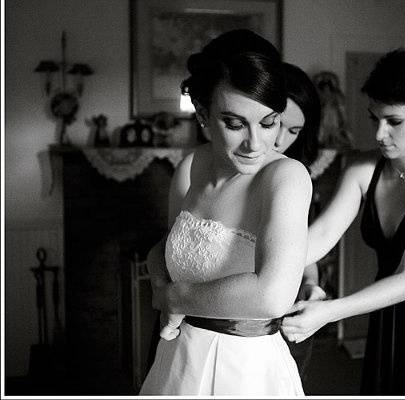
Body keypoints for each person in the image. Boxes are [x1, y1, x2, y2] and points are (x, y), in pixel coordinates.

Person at [281, 49, 405, 395]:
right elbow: (322, 235)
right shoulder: (362, 168)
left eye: (393, 121)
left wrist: (328, 312)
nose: (378, 133)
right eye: (374, 118)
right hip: (387, 306)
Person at [139, 30, 311, 396]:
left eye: (269, 123)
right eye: (235, 124)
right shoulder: (190, 168)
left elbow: (272, 295)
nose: (256, 143)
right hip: (178, 357)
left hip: (245, 369)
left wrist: (175, 298)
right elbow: (169, 251)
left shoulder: (285, 177)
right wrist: (158, 283)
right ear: (202, 113)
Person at [275, 62, 326, 379]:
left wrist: (311, 284)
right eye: (275, 124)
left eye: (294, 131)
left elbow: (305, 247)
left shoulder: (297, 176)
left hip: (286, 310)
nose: (281, 140)